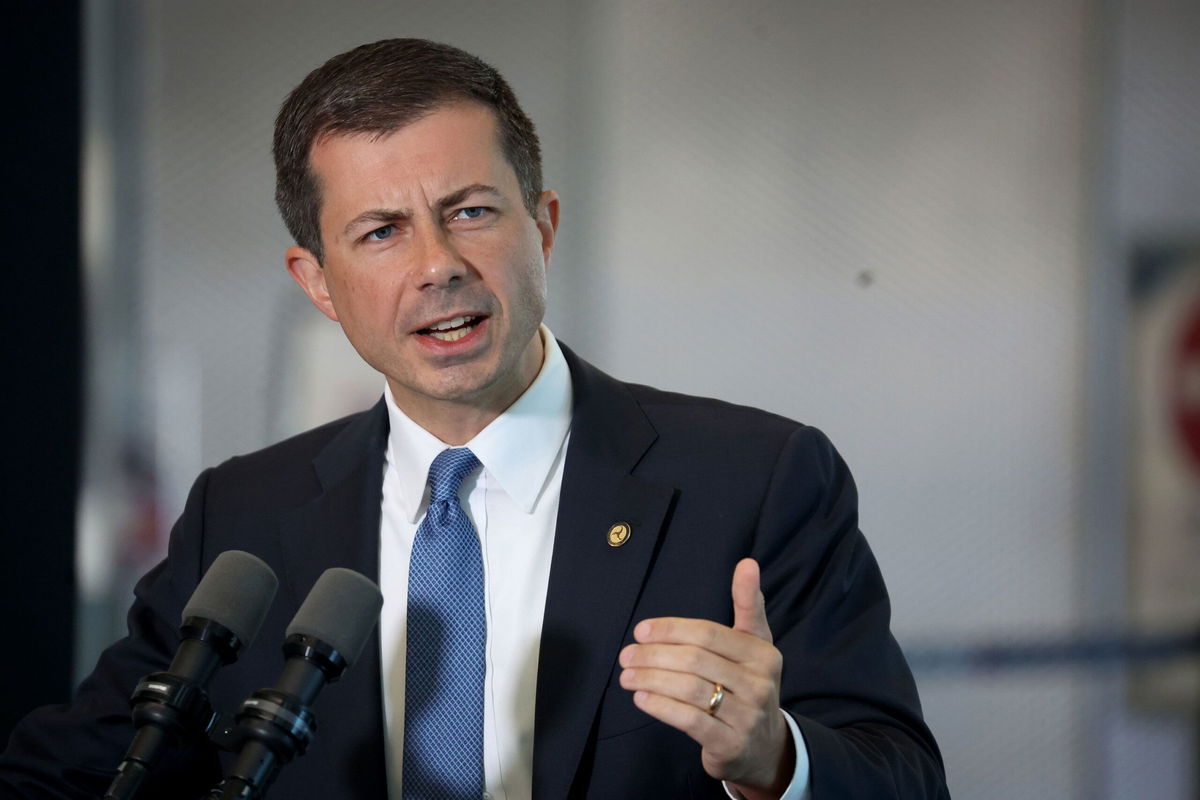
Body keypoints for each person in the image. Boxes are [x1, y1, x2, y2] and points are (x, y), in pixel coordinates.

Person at [0, 38, 948, 799]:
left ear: (542, 228)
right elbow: (73, 770)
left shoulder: (755, 480)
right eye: (381, 232)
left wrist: (775, 759)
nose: (436, 265)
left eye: (470, 212)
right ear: (318, 283)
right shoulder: (242, 516)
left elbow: (904, 778)